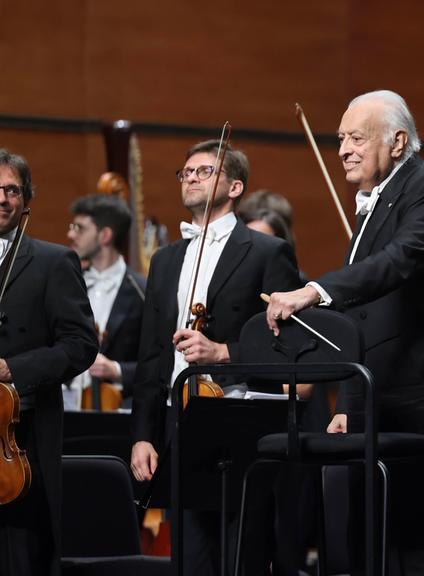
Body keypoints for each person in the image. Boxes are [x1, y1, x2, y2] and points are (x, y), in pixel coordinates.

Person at [265, 89, 424, 574]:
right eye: (340, 139)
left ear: (397, 142)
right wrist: (350, 406)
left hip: (417, 400)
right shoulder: (375, 201)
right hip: (377, 398)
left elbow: (395, 263)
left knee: (409, 546)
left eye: (357, 138)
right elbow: (366, 320)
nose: (343, 150)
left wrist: (312, 291)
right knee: (366, 541)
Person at [129, 139, 301, 575]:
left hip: (239, 415)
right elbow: (151, 353)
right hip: (180, 416)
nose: (191, 177)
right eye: (185, 172)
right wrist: (143, 435)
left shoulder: (267, 252)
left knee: (240, 552)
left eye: (204, 171)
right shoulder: (165, 260)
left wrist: (224, 352)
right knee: (189, 554)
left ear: (235, 187)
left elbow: (288, 348)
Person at [0, 149, 98, 575]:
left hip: (19, 439)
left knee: (20, 556)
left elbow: (80, 345)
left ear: (26, 200)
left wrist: (13, 369)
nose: (2, 198)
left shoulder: (53, 261)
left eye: (11, 190)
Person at [65, 193, 146, 409]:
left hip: (118, 409)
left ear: (105, 235)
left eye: (79, 228)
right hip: (65, 406)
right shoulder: (68, 284)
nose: (70, 234)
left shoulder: (142, 291)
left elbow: (158, 363)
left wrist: (116, 370)